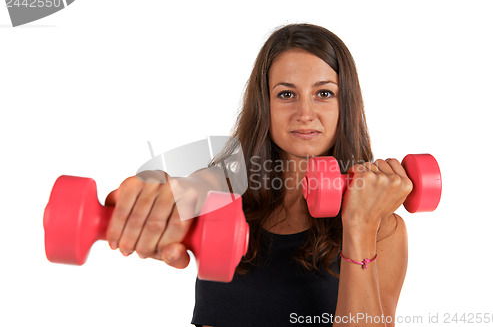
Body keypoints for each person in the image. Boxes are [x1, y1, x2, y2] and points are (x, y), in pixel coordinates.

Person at [104, 23, 411, 327]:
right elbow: (197, 187)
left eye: (324, 93)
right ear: (265, 104)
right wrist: (170, 194)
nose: (305, 113)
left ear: (346, 105)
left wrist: (359, 226)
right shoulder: (224, 192)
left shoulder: (383, 228)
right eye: (287, 93)